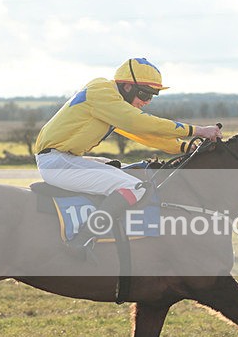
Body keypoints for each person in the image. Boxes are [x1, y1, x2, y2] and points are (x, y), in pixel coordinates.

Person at [34, 58, 222, 230]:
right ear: (126, 87)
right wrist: (197, 131)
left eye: (152, 96)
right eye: (144, 94)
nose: (146, 102)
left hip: (64, 159)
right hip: (57, 162)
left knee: (133, 171)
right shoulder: (103, 92)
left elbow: (144, 133)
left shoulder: (110, 100)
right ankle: (85, 236)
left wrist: (183, 147)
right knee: (134, 187)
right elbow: (140, 122)